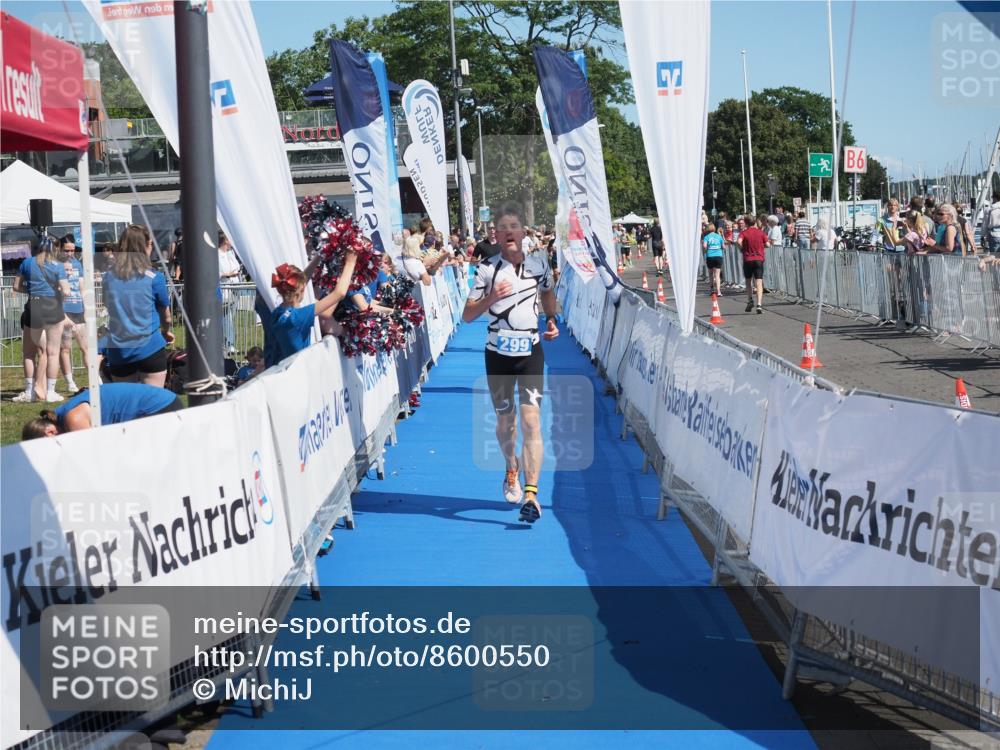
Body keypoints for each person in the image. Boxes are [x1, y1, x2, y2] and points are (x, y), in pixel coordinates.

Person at [462, 202, 557, 524]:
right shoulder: (487, 269)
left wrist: (552, 319)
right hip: (498, 354)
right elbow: (467, 314)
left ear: (522, 231)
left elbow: (547, 293)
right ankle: (511, 467)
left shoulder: (539, 264)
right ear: (497, 236)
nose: (508, 233)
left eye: (514, 226)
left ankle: (532, 493)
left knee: (532, 422)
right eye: (502, 229)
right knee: (507, 424)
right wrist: (492, 298)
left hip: (530, 353)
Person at [101, 225, 173, 387]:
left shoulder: (108, 278)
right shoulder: (155, 277)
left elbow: (107, 304)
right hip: (150, 347)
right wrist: (166, 331)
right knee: (154, 404)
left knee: (126, 405)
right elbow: (166, 316)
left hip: (119, 349)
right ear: (146, 246)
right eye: (151, 244)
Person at [270, 249, 358, 362]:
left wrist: (320, 255)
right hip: (297, 373)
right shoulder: (298, 317)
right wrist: (351, 262)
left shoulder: (277, 313)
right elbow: (339, 293)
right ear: (302, 288)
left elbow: (301, 281)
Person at [12, 237, 70, 402]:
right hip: (52, 306)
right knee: (52, 352)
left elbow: (16, 286)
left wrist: (30, 290)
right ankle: (50, 392)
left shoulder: (27, 263)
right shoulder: (58, 266)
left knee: (29, 353)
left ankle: (30, 391)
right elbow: (66, 290)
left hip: (34, 304)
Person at [21, 383, 182, 439]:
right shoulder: (63, 412)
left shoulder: (73, 419)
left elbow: (95, 454)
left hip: (161, 408)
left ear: (50, 433)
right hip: (162, 402)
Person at [57, 235, 89, 393]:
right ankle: (70, 382)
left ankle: (94, 379)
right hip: (63, 309)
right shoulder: (55, 264)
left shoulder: (77, 263)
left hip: (79, 309)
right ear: (59, 249)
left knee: (86, 347)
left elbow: (82, 286)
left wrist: (87, 306)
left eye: (73, 250)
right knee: (65, 348)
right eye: (66, 250)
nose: (70, 253)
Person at [218, 230, 242, 355]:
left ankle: (228, 342)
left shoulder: (230, 253)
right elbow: (215, 273)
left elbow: (237, 267)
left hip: (235, 287)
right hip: (225, 287)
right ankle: (228, 344)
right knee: (226, 317)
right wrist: (228, 274)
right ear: (225, 240)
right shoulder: (216, 254)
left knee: (231, 316)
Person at [738, 214, 768, 314]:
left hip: (748, 259)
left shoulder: (743, 233)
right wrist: (762, 246)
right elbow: (768, 244)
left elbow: (738, 242)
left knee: (748, 281)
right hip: (759, 259)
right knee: (759, 282)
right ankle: (759, 304)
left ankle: (750, 299)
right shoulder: (761, 232)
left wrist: (741, 248)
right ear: (755, 222)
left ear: (746, 223)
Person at [702, 223, 725, 297]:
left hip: (710, 256)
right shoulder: (719, 236)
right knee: (717, 275)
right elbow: (724, 247)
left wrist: (707, 249)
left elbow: (704, 246)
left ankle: (712, 290)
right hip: (718, 256)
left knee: (711, 274)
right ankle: (719, 291)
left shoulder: (706, 237)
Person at [985, 190, 1000, 255]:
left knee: (994, 257)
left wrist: (983, 236)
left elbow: (985, 224)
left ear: (995, 198)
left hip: (994, 235)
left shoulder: (989, 209)